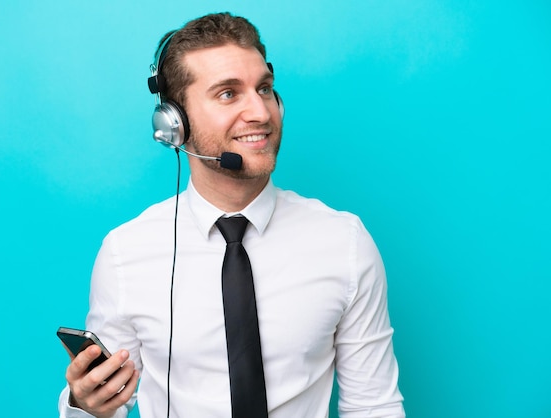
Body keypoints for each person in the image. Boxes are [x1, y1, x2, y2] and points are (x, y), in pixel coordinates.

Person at [58, 12, 405, 418]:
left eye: (265, 88)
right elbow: (109, 405)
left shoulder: (344, 242)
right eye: (228, 94)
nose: (260, 111)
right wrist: (85, 406)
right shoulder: (125, 253)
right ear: (176, 123)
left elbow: (374, 406)